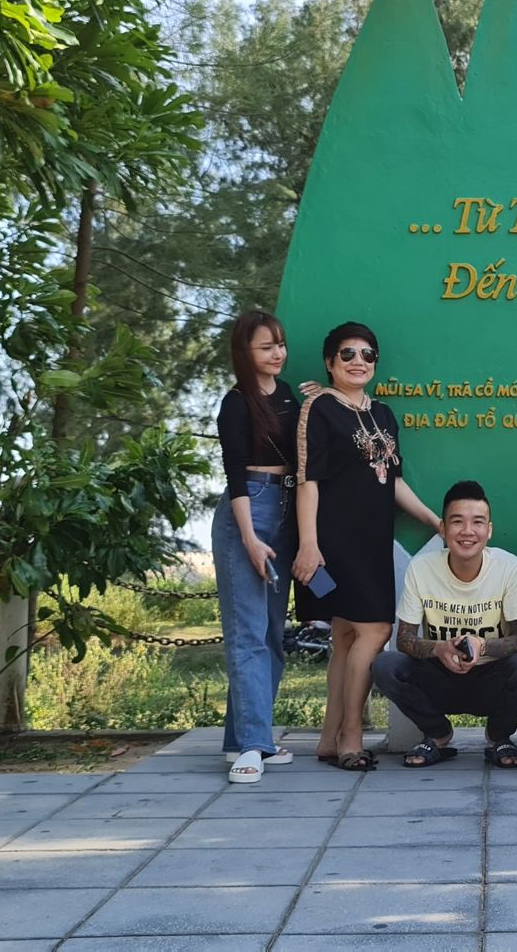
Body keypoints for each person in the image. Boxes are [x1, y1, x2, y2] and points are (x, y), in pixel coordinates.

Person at [293, 322, 443, 771]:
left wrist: (435, 521)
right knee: (376, 632)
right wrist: (308, 544)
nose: (358, 361)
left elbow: (391, 480)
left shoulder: (383, 414)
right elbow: (308, 480)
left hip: (374, 540)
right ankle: (352, 736)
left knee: (346, 638)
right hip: (335, 540)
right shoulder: (319, 408)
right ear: (329, 361)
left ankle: (328, 738)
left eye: (367, 354)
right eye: (347, 354)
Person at [372, 481, 517, 768]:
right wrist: (439, 649)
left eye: (477, 522)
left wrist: (482, 646)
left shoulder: (507, 566)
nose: (467, 531)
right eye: (457, 522)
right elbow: (404, 639)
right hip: (440, 677)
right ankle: (437, 734)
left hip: (491, 678)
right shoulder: (422, 568)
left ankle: (499, 736)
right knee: (385, 665)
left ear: (489, 530)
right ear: (443, 528)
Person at [212, 310, 300, 784]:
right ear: (244, 352)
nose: (277, 353)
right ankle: (253, 745)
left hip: (286, 508)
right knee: (247, 632)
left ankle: (241, 738)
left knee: (269, 633)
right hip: (248, 511)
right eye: (266, 347)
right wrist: (249, 537)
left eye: (280, 344)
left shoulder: (286, 395)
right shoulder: (236, 403)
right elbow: (235, 475)